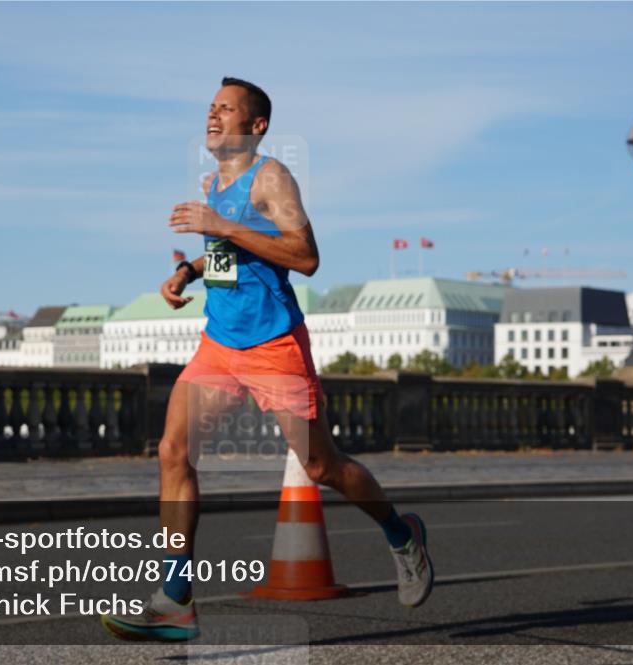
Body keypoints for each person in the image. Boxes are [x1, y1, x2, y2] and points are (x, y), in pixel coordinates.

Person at [101, 77, 433, 642]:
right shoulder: (215, 184)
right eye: (210, 108)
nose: (212, 117)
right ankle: (175, 598)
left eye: (226, 110)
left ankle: (402, 535)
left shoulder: (271, 178)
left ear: (255, 127)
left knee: (322, 465)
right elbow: (230, 261)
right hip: (220, 344)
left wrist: (221, 226)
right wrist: (188, 272)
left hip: (274, 347)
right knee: (172, 451)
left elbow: (305, 257)